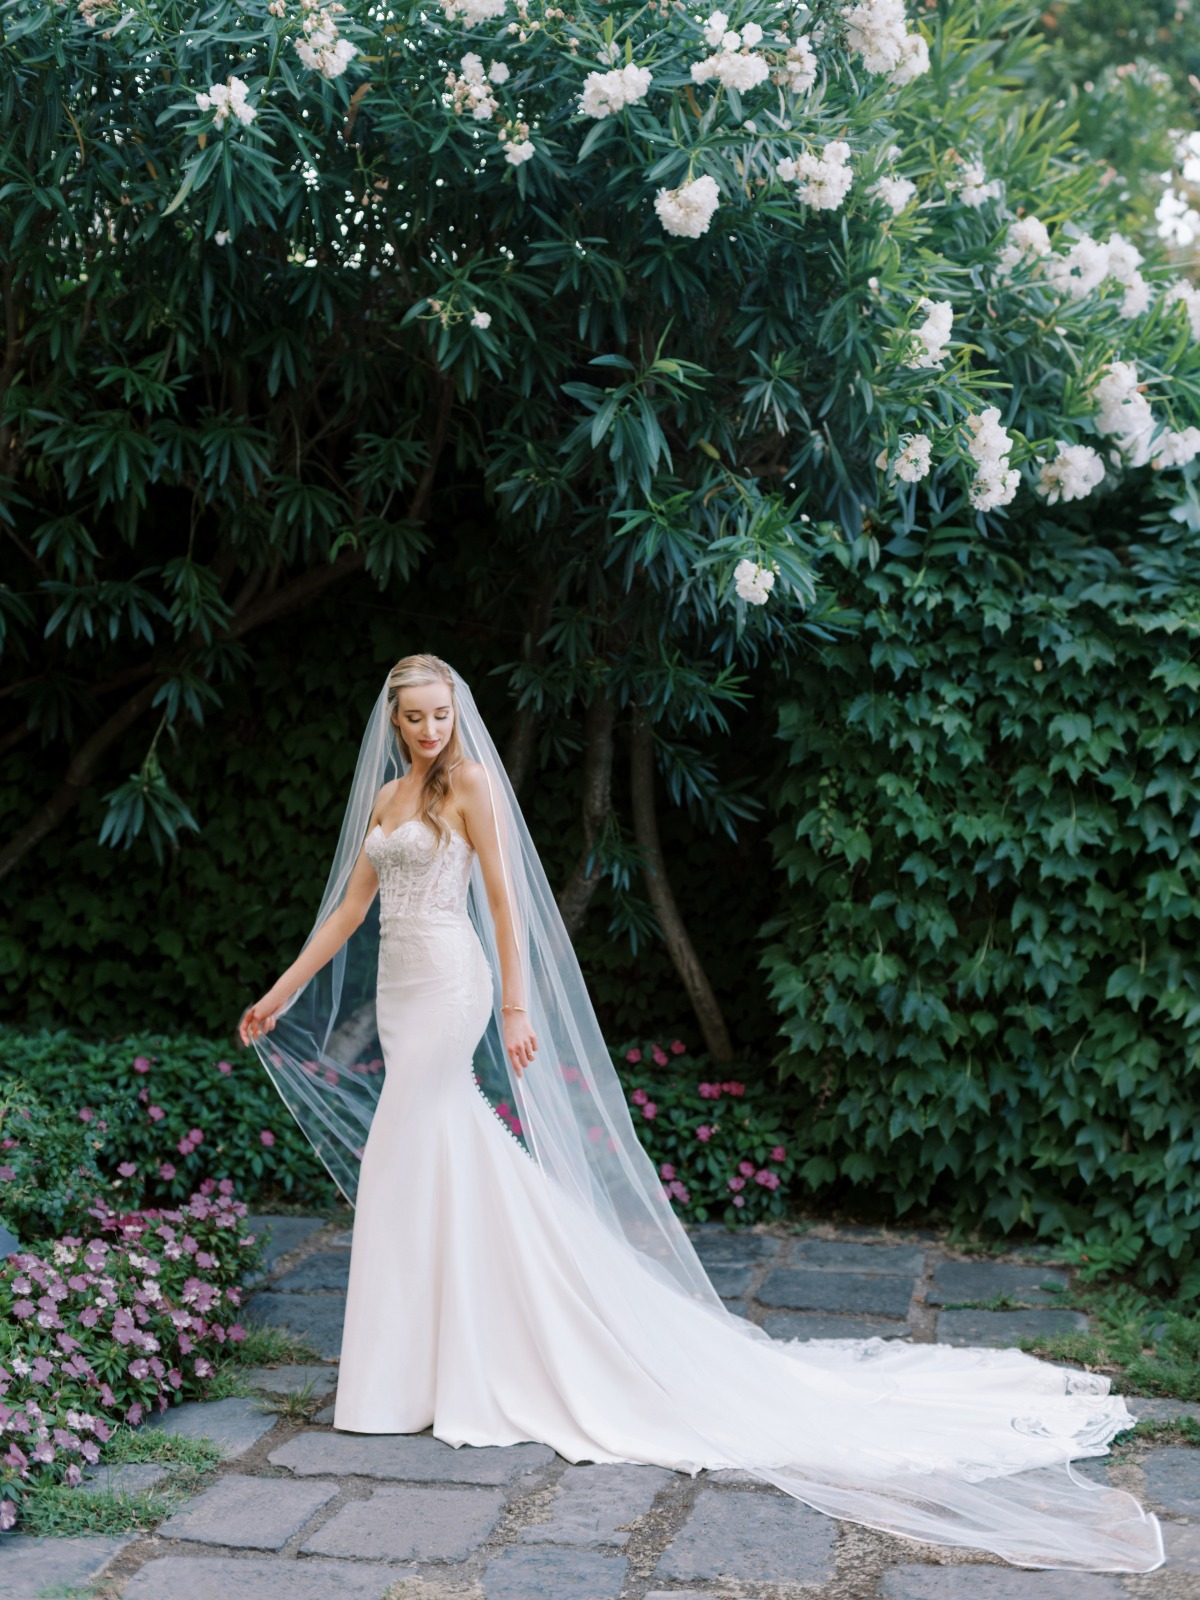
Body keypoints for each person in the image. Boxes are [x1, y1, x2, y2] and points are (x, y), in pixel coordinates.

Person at [238, 653, 1164, 1574]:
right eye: (416, 719)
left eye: (442, 715)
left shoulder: (471, 784)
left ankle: (447, 1362)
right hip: (399, 993)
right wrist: (280, 993)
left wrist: (515, 1007)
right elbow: (351, 911)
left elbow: (506, 901)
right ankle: (420, 1370)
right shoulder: (390, 801)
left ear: (457, 716)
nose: (431, 731)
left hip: (450, 986)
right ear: (394, 722)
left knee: (415, 1145)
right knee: (430, 1162)